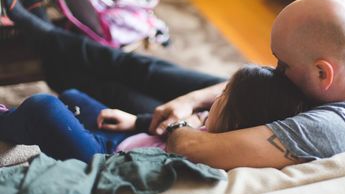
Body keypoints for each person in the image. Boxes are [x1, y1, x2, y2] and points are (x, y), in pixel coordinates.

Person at [3, 0, 345, 170]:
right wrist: (190, 100)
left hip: (247, 111)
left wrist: (182, 117)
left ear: (322, 73)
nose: (276, 67)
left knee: (117, 92)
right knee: (145, 71)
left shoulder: (334, 128)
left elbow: (194, 146)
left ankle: (46, 49)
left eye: (282, 63)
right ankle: (47, 39)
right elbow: (262, 80)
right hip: (255, 98)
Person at [0, 65, 310, 163]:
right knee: (72, 96)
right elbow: (163, 132)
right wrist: (136, 121)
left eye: (224, 96)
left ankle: (9, 121)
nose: (213, 100)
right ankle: (32, 123)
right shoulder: (212, 124)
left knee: (45, 107)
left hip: (107, 162)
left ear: (238, 119)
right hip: (129, 138)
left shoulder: (219, 153)